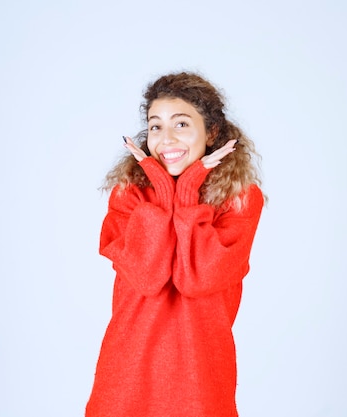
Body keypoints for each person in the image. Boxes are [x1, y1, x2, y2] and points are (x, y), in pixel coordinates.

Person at [86, 72, 265, 417]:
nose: (165, 138)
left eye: (181, 124)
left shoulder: (240, 200)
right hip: (126, 375)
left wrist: (188, 192)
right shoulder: (130, 194)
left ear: (212, 132)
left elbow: (196, 277)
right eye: (155, 126)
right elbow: (146, 277)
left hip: (200, 378)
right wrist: (164, 189)